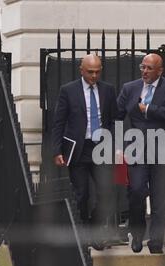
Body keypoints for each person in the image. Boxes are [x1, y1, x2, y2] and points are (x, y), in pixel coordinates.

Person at [116, 53, 165, 254]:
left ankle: (156, 242)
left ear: (160, 70)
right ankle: (136, 234)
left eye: (149, 68)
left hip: (162, 149)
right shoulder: (130, 88)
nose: (144, 71)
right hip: (136, 148)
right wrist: (118, 145)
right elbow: (117, 116)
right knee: (136, 191)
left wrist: (148, 109)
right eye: (142, 67)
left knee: (159, 198)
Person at [51, 54, 117, 250]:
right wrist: (57, 150)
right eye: (90, 72)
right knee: (82, 194)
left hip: (100, 148)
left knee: (107, 193)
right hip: (78, 149)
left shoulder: (108, 89)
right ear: (81, 70)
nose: (94, 76)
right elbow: (59, 122)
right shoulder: (68, 91)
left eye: (97, 72)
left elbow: (114, 119)